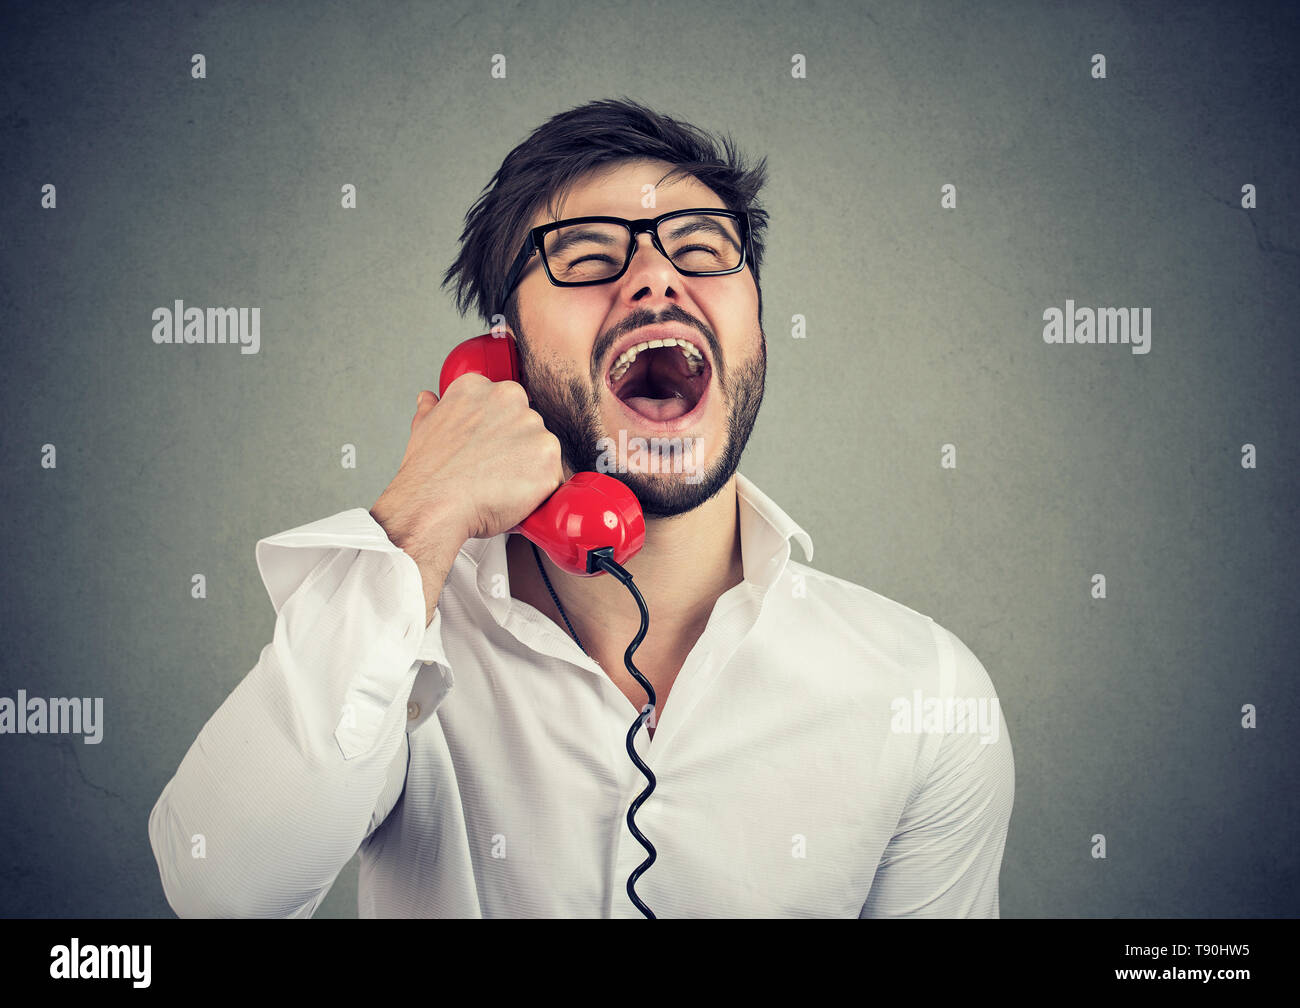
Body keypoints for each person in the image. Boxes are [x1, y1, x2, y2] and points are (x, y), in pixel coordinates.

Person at [148, 98, 1014, 918]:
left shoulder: (921, 694)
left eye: (703, 247)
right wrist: (419, 519)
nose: (655, 278)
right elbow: (222, 890)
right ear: (502, 353)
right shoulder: (391, 650)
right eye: (588, 256)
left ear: (754, 317)